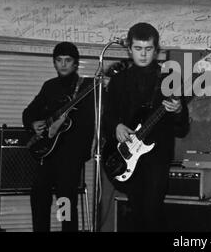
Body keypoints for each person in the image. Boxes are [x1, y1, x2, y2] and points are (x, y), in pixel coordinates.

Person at [104, 22, 189, 232]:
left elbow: (182, 127)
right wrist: (116, 126)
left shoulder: (169, 79)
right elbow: (108, 116)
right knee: (136, 212)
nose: (143, 54)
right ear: (129, 49)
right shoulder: (118, 81)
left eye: (148, 49)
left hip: (157, 157)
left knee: (152, 212)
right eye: (138, 48)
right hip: (128, 155)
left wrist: (178, 110)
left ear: (157, 50)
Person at [22, 42, 95, 232]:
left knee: (66, 202)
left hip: (70, 157)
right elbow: (29, 112)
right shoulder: (49, 86)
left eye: (68, 60)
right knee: (39, 196)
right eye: (59, 60)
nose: (63, 64)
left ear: (76, 64)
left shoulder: (86, 87)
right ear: (54, 63)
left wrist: (62, 127)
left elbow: (89, 125)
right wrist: (33, 125)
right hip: (47, 155)